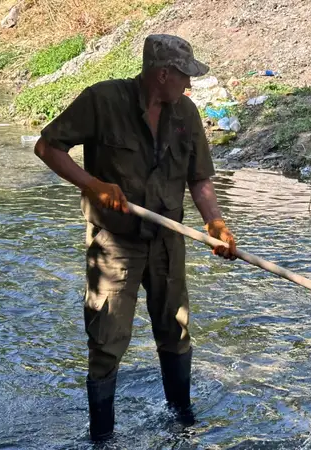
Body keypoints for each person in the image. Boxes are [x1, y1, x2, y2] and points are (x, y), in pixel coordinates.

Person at [33, 34, 238, 442]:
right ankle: (102, 438)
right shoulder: (103, 101)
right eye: (183, 76)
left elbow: (199, 180)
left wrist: (215, 224)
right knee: (107, 339)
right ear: (162, 74)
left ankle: (182, 422)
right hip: (114, 242)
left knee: (175, 330)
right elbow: (47, 146)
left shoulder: (187, 115)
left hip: (167, 239)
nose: (189, 85)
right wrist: (92, 184)